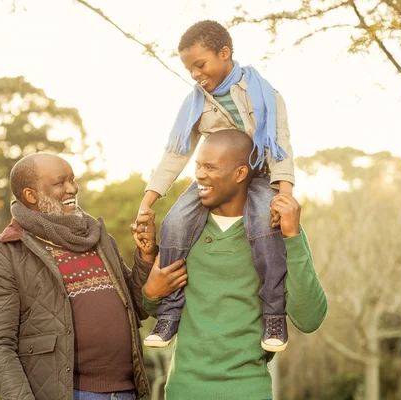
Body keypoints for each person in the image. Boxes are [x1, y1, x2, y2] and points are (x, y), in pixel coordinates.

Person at [135, 20, 296, 351]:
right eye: (189, 68)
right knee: (175, 222)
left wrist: (285, 195)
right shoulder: (195, 103)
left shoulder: (266, 94)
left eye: (200, 64)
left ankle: (273, 314)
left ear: (225, 53)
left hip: (258, 174)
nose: (195, 73)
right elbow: (175, 153)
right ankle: (169, 313)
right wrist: (147, 201)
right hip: (216, 178)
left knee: (265, 225)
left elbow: (281, 147)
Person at [0, 153, 184, 400]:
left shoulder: (97, 237)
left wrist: (146, 256)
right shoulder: (5, 254)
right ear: (30, 196)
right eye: (59, 182)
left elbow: (137, 306)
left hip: (126, 392)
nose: (72, 188)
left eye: (72, 180)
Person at [142, 130, 327, 400]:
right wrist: (150, 289)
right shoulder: (182, 232)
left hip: (249, 390)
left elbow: (309, 319)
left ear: (240, 174)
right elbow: (155, 308)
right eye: (198, 166)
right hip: (183, 391)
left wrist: (293, 238)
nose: (200, 175)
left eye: (211, 167)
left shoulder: (277, 233)